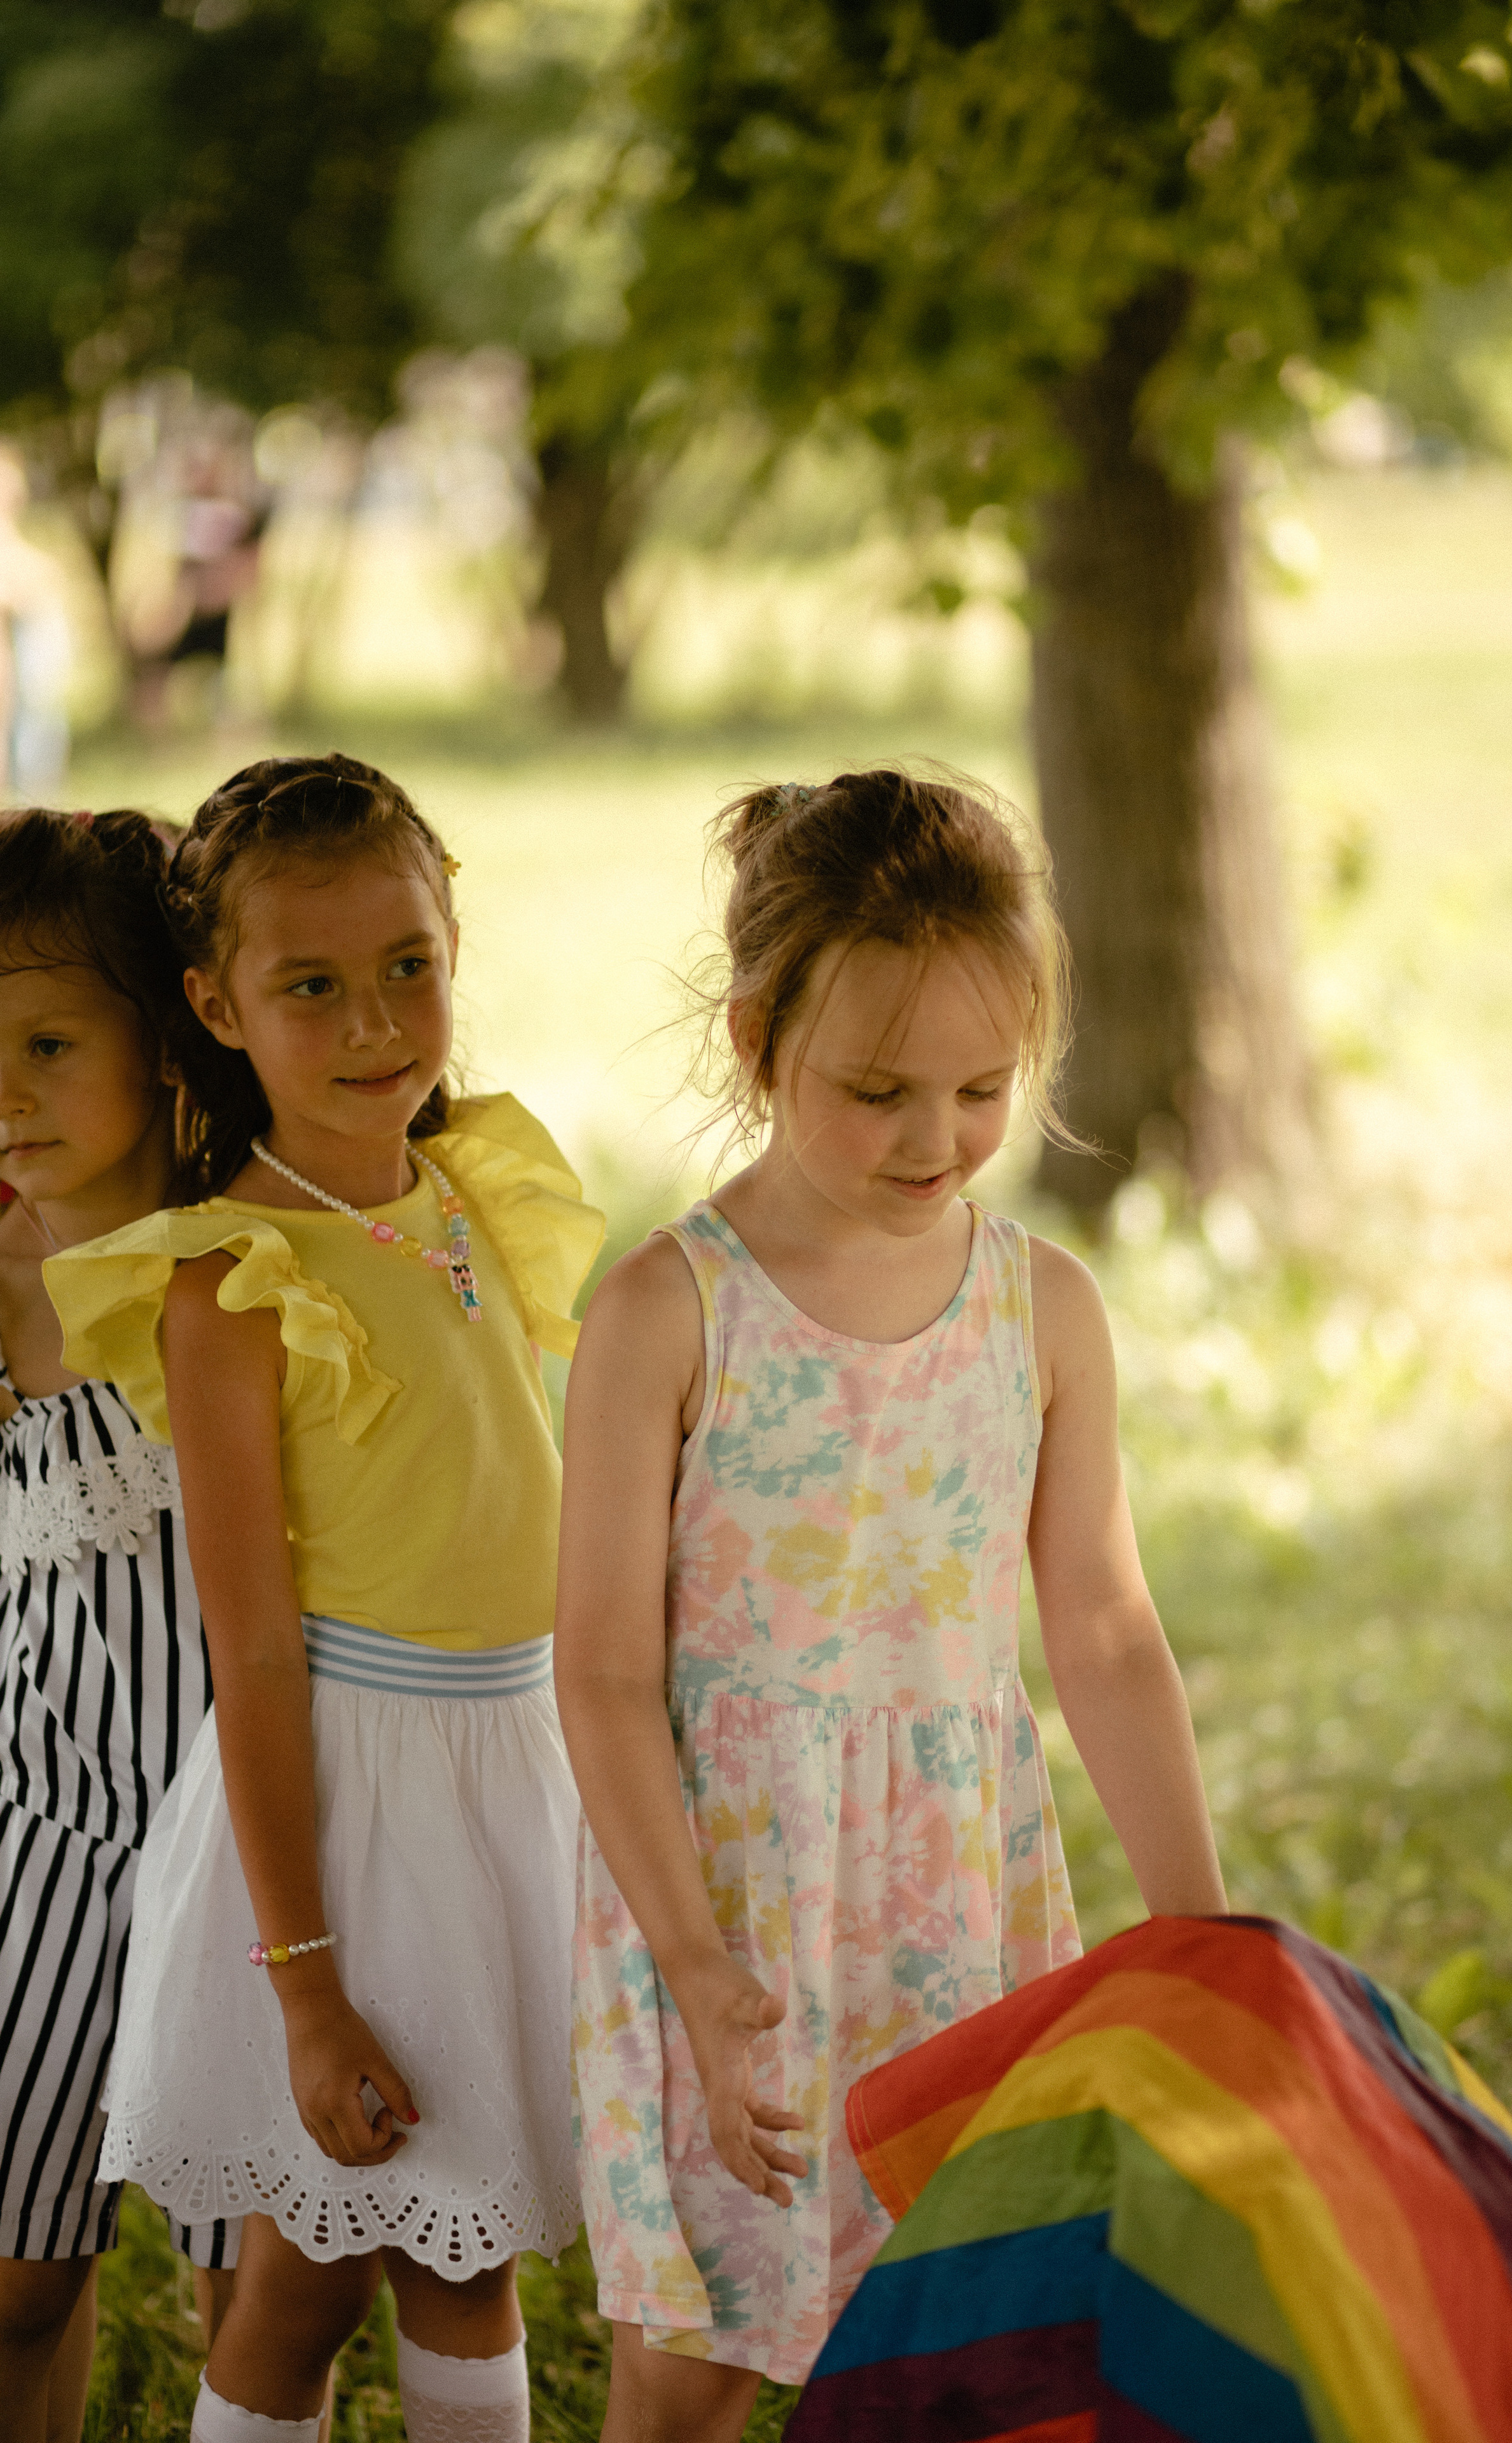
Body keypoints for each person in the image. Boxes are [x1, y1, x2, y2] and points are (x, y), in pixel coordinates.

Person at [555, 768, 1228, 2443]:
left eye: (981, 1087)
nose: (936, 1139)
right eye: (877, 1091)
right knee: (695, 2360)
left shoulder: (1042, 1310)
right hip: (721, 1905)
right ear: (757, 1033)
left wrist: (1199, 1933)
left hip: (954, 1901)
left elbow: (1102, 1632)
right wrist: (702, 1972)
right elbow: (605, 1679)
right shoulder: (665, 1311)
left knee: (954, 2342)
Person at [45, 753, 602, 2443]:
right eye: (312, 987)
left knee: (466, 2255)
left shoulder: (473, 1196)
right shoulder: (231, 1281)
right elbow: (255, 1646)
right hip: (356, 1818)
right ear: (217, 1002)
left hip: (510, 1784)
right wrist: (306, 1985)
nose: (377, 1024)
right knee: (302, 2280)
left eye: (409, 967)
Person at [0, 808, 236, 2443]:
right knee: (17, 2263)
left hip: (257, 1835)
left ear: (171, 1036)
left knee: (264, 2286)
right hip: (43, 1811)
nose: (3, 1088)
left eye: (47, 1040)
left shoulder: (251, 1261)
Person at [0, 454, 72, 801]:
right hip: (24, 639)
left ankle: (34, 786)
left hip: (31, 641)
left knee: (35, 712)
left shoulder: (11, 537)